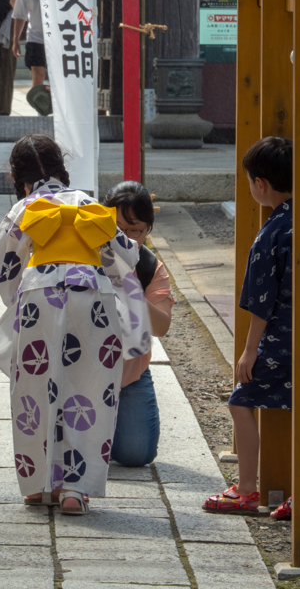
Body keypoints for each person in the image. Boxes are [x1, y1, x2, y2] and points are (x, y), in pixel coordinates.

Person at [0, 134, 151, 515]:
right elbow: (129, 254)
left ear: (15, 176)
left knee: (35, 392)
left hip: (41, 296)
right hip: (93, 299)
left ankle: (40, 487)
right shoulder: (89, 203)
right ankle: (76, 489)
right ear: (62, 167)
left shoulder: (25, 208)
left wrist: (19, 294)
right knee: (88, 392)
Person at [202, 136, 293, 517]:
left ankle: (248, 489)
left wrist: (250, 348)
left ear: (260, 184)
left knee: (241, 402)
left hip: (276, 335)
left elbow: (261, 299)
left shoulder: (271, 232)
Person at [103, 181, 174, 468]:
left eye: (136, 230)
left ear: (148, 229)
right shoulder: (81, 256)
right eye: (119, 228)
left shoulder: (149, 266)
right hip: (79, 370)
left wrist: (129, 290)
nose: (128, 238)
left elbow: (161, 327)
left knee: (136, 454)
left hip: (129, 373)